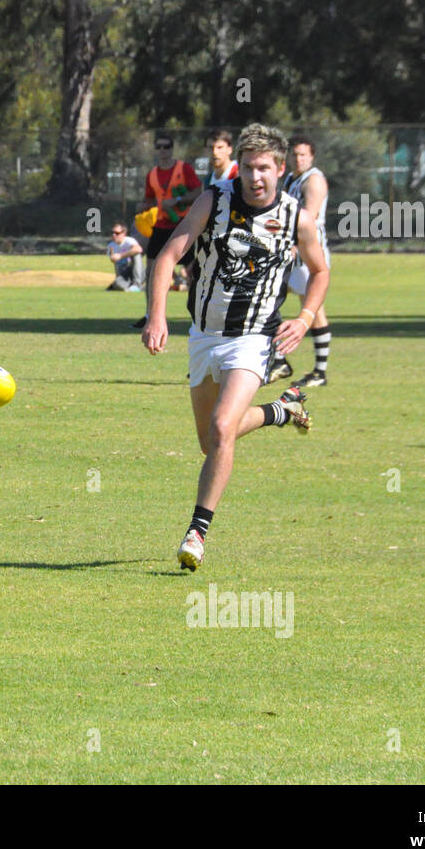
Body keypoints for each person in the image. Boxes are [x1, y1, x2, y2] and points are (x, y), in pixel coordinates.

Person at [141, 123, 328, 570]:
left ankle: (195, 534)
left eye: (264, 167)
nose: (254, 176)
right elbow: (168, 255)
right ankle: (280, 411)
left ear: (281, 169)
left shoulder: (296, 217)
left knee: (224, 429)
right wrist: (156, 315)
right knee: (210, 443)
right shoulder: (214, 200)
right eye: (247, 167)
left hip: (255, 338)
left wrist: (304, 318)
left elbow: (319, 271)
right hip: (204, 335)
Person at [266, 135, 331, 386]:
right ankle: (286, 361)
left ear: (312, 156)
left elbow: (310, 217)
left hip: (307, 251)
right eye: (294, 154)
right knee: (278, 299)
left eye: (303, 154)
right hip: (295, 248)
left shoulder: (313, 180)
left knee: (310, 307)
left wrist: (294, 246)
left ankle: (311, 370)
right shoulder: (292, 178)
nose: (298, 158)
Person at [132, 134, 199, 328]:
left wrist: (178, 200)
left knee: (193, 271)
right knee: (152, 270)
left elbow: (198, 192)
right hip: (161, 226)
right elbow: (150, 199)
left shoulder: (183, 169)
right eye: (159, 147)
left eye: (167, 147)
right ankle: (149, 315)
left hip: (182, 226)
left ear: (172, 149)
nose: (163, 151)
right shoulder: (152, 173)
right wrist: (143, 206)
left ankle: (199, 313)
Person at [106, 221, 144, 291]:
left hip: (136, 272)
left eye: (117, 233)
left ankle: (137, 284)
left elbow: (139, 249)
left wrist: (120, 256)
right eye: (112, 233)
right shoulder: (111, 246)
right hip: (123, 275)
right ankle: (135, 288)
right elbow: (112, 259)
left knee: (136, 254)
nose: (114, 235)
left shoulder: (129, 241)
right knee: (117, 282)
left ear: (124, 233)